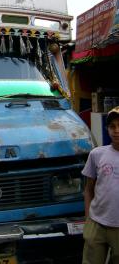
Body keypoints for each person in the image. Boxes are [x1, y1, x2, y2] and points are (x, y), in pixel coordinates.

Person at [82, 106, 119, 264]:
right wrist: (88, 218)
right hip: (97, 223)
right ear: (107, 129)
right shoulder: (97, 154)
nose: (117, 130)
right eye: (112, 126)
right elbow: (89, 190)